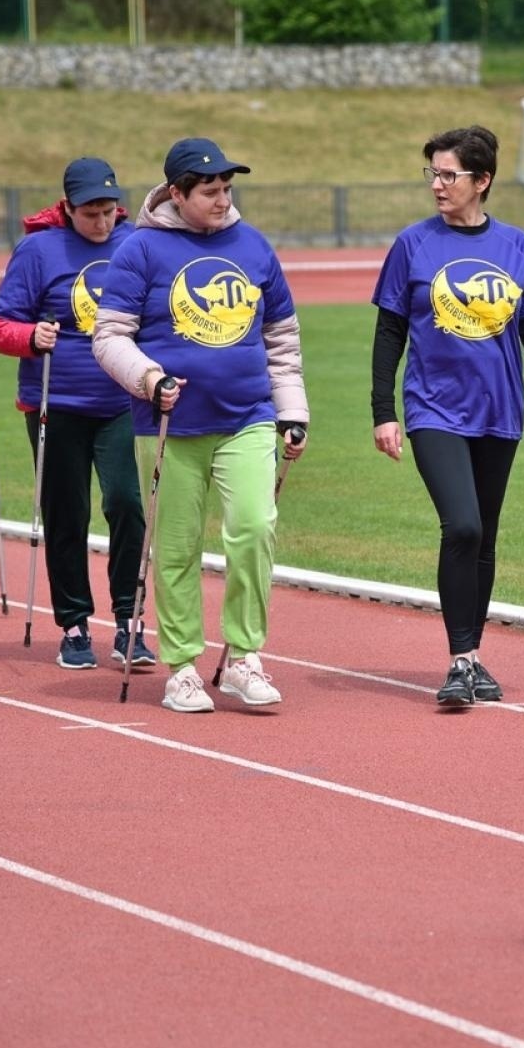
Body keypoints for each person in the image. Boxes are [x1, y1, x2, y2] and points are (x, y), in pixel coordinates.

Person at [92, 137, 307, 713]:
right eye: (210, 191)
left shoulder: (254, 245)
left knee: (255, 528)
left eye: (226, 189)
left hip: (248, 417)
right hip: (168, 425)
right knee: (176, 549)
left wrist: (292, 411)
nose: (222, 200)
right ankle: (182, 667)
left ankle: (243, 658)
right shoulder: (140, 250)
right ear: (177, 193)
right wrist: (149, 379)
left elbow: (281, 339)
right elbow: (109, 336)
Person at [371, 125, 524, 709]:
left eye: (449, 175)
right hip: (433, 408)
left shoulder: (516, 246)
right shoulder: (413, 244)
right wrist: (383, 411)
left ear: (481, 180)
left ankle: (472, 658)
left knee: (484, 534)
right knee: (461, 526)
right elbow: (389, 332)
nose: (437, 185)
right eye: (432, 174)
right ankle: (459, 658)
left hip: (499, 410)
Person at [0, 157, 154, 670]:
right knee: (67, 512)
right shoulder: (39, 250)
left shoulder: (134, 243)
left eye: (108, 211)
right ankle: (74, 624)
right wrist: (31, 337)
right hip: (56, 404)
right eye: (90, 213)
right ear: (68, 207)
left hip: (121, 402)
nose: (101, 223)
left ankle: (128, 620)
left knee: (127, 504)